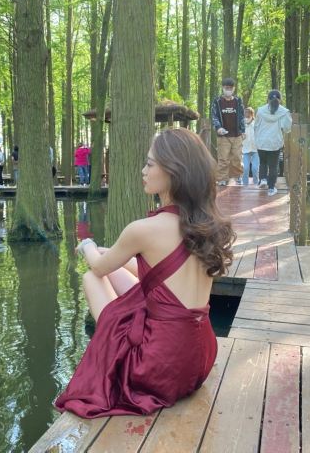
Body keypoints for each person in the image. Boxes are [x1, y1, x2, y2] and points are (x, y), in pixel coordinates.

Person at [55, 128, 234, 418]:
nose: (143, 171)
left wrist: (88, 245)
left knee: (92, 277)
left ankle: (111, 346)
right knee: (133, 286)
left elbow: (98, 267)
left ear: (174, 171)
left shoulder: (143, 230)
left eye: (150, 164)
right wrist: (110, 252)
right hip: (199, 358)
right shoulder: (205, 224)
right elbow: (157, 275)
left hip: (161, 367)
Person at [254, 90, 292, 196]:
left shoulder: (260, 110)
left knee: (263, 162)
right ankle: (271, 188)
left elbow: (256, 125)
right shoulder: (284, 112)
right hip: (275, 142)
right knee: (273, 166)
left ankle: (262, 179)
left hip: (261, 141)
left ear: (268, 99)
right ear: (280, 100)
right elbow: (287, 128)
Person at [211, 77, 245, 186]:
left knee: (237, 157)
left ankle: (237, 176)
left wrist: (243, 130)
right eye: (226, 88)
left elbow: (242, 116)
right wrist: (218, 127)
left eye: (230, 88)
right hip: (223, 135)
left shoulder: (238, 101)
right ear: (223, 88)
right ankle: (222, 179)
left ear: (234, 89)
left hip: (237, 134)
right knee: (223, 159)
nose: (228, 90)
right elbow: (214, 116)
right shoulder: (217, 101)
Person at [241, 107, 259, 186]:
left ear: (252, 113)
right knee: (245, 168)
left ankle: (256, 183)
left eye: (248, 112)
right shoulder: (241, 123)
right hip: (245, 149)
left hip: (256, 149)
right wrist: (241, 135)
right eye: (245, 112)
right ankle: (245, 184)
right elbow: (238, 134)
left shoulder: (256, 123)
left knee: (255, 168)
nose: (246, 114)